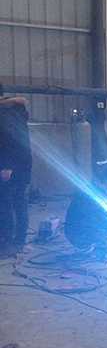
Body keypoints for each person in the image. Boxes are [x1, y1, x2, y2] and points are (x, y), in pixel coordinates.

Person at [64, 164, 107, 253]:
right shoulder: (93, 196)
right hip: (78, 235)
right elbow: (101, 218)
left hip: (77, 230)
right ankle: (89, 246)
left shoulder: (97, 190)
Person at [0, 96, 32, 258]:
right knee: (18, 203)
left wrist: (7, 166)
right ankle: (18, 241)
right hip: (20, 165)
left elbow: (11, 140)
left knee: (7, 205)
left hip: (11, 168)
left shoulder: (5, 113)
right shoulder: (15, 110)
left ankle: (8, 243)